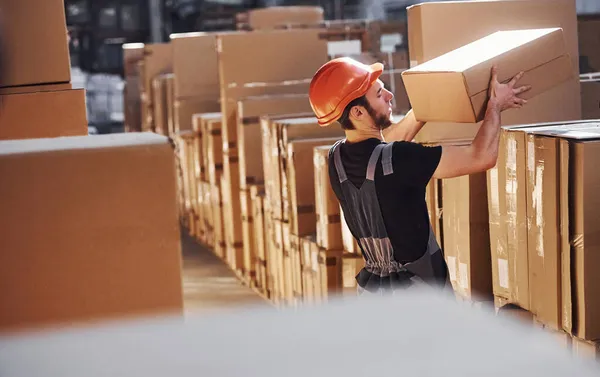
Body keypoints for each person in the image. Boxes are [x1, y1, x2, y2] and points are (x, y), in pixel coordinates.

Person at [308, 57, 531, 296]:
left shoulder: (336, 159)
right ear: (358, 111)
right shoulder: (399, 159)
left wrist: (424, 107)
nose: (389, 95)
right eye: (379, 93)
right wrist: (495, 106)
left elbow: (384, 151)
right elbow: (482, 156)